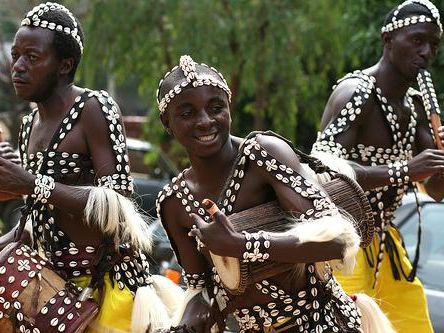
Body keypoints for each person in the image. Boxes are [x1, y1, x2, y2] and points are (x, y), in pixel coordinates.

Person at [155, 55, 395, 333]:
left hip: (322, 323)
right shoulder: (174, 203)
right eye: (187, 114)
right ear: (167, 123)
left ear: (229, 109)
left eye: (216, 107)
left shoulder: (263, 154)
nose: (205, 121)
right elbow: (200, 295)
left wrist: (242, 244)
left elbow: (338, 242)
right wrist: (182, 326)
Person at [0, 3, 180, 332]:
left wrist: (31, 184)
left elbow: (119, 201)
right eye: (16, 54)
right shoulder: (28, 124)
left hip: (108, 286)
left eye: (32, 57)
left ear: (64, 65)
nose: (18, 66)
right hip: (51, 290)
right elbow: (36, 220)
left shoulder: (93, 108)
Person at [311, 1, 444, 332]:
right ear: (388, 41)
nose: (426, 52)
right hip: (340, 241)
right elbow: (322, 171)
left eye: (433, 44)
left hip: (386, 245)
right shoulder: (355, 93)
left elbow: (436, 191)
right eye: (417, 40)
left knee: (415, 324)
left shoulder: (414, 107)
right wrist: (404, 171)